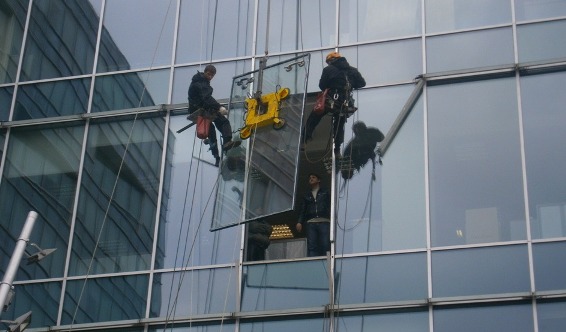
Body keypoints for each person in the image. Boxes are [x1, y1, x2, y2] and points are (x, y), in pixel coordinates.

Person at [304, 51, 366, 157]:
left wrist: (334, 84)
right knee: (339, 125)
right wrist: (349, 85)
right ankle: (337, 150)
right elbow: (362, 83)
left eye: (329, 62)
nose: (328, 64)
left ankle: (305, 137)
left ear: (331, 61)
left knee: (315, 115)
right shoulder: (353, 70)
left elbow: (322, 85)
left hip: (332, 100)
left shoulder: (328, 69)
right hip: (344, 103)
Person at [188, 64, 240, 166]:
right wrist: (219, 107)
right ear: (205, 72)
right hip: (202, 110)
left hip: (201, 109)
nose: (210, 77)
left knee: (211, 131)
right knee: (223, 122)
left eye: (212, 75)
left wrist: (216, 106)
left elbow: (205, 99)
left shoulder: (199, 81)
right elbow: (206, 98)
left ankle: (217, 155)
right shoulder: (200, 83)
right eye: (209, 74)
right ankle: (226, 143)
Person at [296, 173, 331, 257]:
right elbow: (302, 210)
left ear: (318, 180)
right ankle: (314, 264)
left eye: (313, 177)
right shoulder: (306, 195)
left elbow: (331, 205)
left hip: (324, 221)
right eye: (310, 178)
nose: (311, 179)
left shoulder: (326, 192)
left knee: (325, 244)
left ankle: (327, 263)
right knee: (312, 246)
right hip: (311, 222)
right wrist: (299, 222)